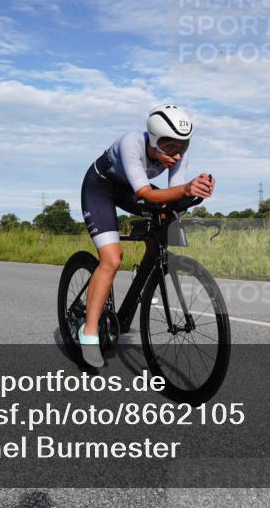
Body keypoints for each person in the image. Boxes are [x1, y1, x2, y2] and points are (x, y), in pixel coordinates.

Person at [78, 104, 214, 368]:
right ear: (153, 139)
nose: (176, 155)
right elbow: (146, 194)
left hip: (130, 189)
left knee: (164, 222)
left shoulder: (177, 153)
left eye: (182, 146)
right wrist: (185, 190)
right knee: (112, 259)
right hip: (101, 189)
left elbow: (175, 193)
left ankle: (143, 275)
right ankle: (89, 331)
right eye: (169, 147)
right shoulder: (131, 142)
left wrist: (197, 191)